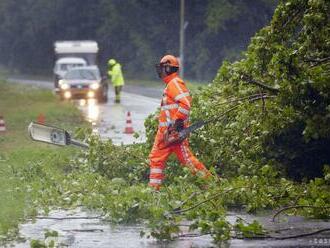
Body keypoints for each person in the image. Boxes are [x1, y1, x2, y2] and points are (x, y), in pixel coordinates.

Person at [149, 55, 211, 190]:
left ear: (168, 68)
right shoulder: (169, 85)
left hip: (174, 132)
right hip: (164, 134)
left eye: (162, 68)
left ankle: (210, 184)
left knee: (187, 160)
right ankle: (153, 190)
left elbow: (186, 104)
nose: (160, 71)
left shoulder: (175, 83)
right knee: (155, 159)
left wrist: (177, 123)